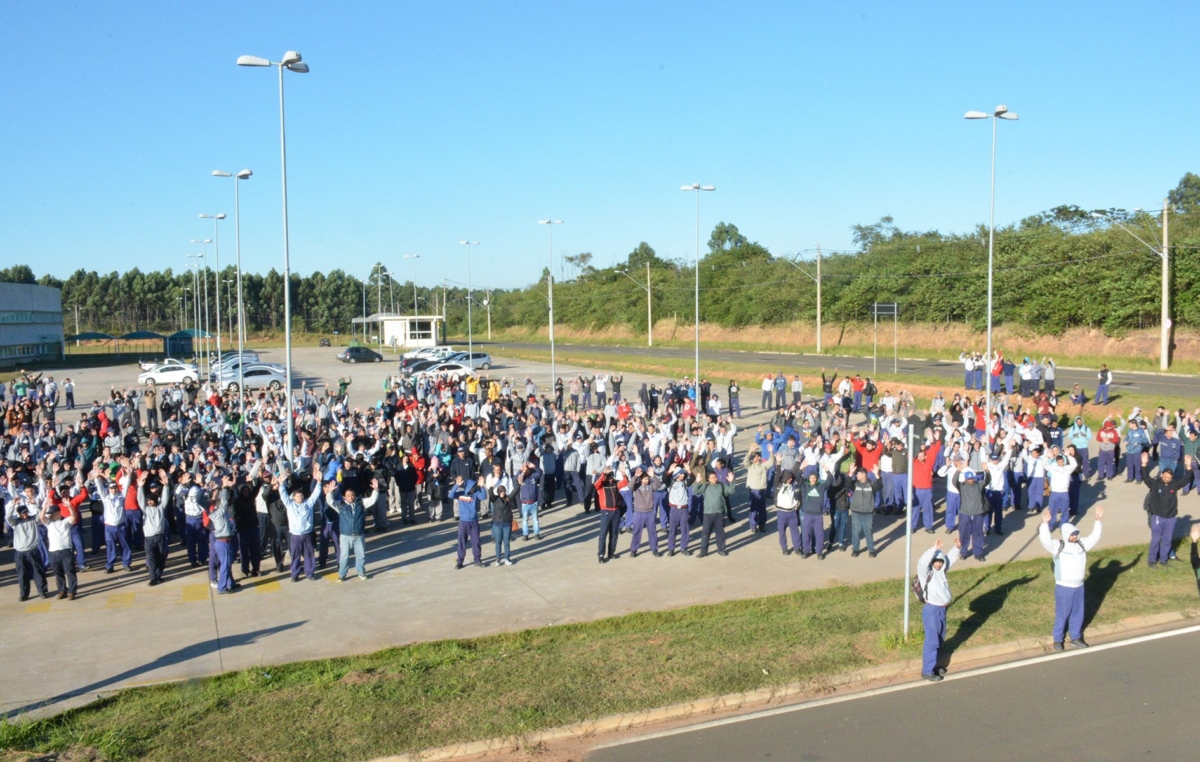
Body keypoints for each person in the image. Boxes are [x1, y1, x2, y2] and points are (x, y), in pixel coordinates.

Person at [1039, 506, 1103, 650]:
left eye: (1076, 534)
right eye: (1072, 534)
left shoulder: (1081, 545)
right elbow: (1045, 540)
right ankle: (1057, 639)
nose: (1075, 536)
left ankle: (1076, 637)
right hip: (1064, 587)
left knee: (1077, 614)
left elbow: (1094, 537)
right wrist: (1045, 524)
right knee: (1062, 614)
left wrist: (1098, 521)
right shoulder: (1058, 546)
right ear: (1066, 534)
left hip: (1079, 586)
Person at [916, 537, 961, 681]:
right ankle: (927, 671)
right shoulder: (926, 573)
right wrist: (934, 549)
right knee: (932, 641)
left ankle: (934, 665)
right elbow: (922, 562)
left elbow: (950, 559)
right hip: (932, 610)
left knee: (940, 639)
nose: (938, 564)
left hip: (942, 610)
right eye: (935, 562)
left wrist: (957, 548)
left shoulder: (942, 571)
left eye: (940, 562)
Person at [1141, 452, 1194, 567]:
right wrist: (1144, 464)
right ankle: (1151, 561)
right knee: (1155, 540)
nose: (1167, 479)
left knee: (1167, 540)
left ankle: (1163, 560)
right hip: (1158, 517)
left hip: (1170, 518)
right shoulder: (1155, 484)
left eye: (1169, 478)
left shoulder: (1174, 485)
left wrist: (1188, 466)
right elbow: (1145, 477)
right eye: (1165, 477)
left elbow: (1187, 479)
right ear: (1161, 475)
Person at [448, 475, 485, 569]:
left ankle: (477, 560)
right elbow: (450, 495)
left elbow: (483, 497)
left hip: (474, 522)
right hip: (463, 522)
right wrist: (456, 486)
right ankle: (460, 561)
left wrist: (482, 487)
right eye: (473, 487)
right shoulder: (461, 494)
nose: (474, 488)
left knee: (476, 542)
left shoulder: (476, 494)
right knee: (461, 542)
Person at [695, 469, 733, 557]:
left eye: (715, 477)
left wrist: (731, 482)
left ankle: (721, 549)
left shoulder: (722, 485)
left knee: (720, 532)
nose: (714, 479)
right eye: (712, 478)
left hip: (719, 513)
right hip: (708, 513)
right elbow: (695, 491)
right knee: (705, 533)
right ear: (708, 479)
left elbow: (731, 491)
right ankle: (703, 551)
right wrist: (697, 482)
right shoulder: (706, 486)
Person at [848, 465, 880, 557]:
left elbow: (879, 485)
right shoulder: (855, 483)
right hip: (856, 512)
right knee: (855, 531)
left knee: (868, 531)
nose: (856, 476)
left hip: (868, 512)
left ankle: (871, 549)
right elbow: (847, 484)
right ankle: (855, 549)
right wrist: (851, 473)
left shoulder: (871, 484)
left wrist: (877, 475)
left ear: (864, 475)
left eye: (858, 474)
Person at [594, 466, 623, 562]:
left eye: (612, 477)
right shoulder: (601, 485)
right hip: (606, 512)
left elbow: (625, 483)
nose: (611, 479)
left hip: (616, 512)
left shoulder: (615, 484)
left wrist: (624, 473)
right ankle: (601, 555)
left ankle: (611, 553)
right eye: (609, 477)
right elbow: (596, 484)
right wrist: (603, 474)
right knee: (603, 534)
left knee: (614, 534)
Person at [488, 483, 515, 566]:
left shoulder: (508, 498)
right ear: (498, 492)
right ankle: (498, 559)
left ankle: (507, 558)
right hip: (497, 524)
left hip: (507, 523)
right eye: (500, 491)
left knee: (507, 542)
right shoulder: (495, 499)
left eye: (503, 491)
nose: (502, 493)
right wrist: (491, 487)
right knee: (498, 542)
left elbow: (514, 492)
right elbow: (491, 495)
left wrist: (519, 484)